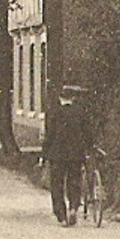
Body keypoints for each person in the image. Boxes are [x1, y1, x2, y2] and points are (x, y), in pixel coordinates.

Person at [44, 92, 94, 226]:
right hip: (75, 154)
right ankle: (73, 207)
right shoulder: (80, 112)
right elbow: (87, 132)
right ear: (72, 99)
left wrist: (45, 153)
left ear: (60, 98)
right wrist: (89, 147)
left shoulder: (53, 112)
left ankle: (62, 216)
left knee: (57, 184)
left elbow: (49, 135)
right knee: (74, 181)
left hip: (57, 154)